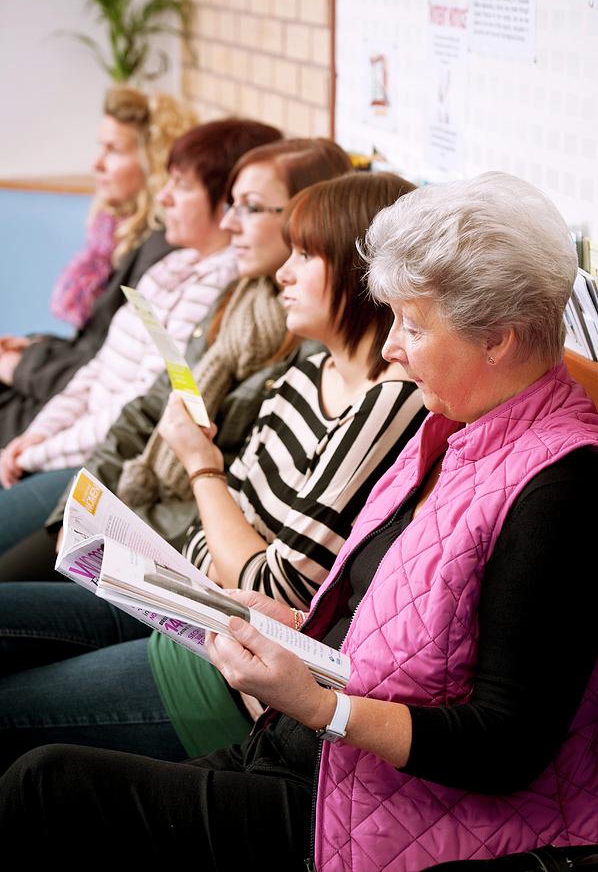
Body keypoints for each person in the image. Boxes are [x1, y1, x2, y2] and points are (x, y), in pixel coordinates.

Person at [1, 172, 597, 868]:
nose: (392, 349)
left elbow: (506, 745)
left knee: (44, 786)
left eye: (411, 325)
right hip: (318, 760)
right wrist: (300, 627)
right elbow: (397, 625)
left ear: (497, 337)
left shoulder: (563, 484)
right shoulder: (459, 427)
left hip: (373, 805)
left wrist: (318, 706)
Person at [0, 170, 426, 772]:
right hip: (192, 607)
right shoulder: (304, 374)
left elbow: (274, 587)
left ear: (363, 273)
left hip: (231, 666)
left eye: (305, 255)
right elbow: (222, 543)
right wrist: (221, 532)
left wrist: (204, 469)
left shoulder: (392, 401)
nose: (283, 271)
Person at [0, 137, 350, 577]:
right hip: (131, 504)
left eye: (251, 207)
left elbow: (231, 500)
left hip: (168, 552)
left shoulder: (312, 345)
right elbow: (146, 406)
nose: (230, 223)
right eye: (231, 204)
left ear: (308, 218)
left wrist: (119, 529)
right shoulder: (236, 298)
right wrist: (75, 516)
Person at [0, 85, 196, 448]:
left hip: (76, 422)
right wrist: (34, 347)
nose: (97, 163)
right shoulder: (118, 232)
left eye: (114, 150)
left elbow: (112, 379)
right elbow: (94, 346)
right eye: (100, 147)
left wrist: (20, 366)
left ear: (153, 162)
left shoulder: (161, 254)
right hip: (57, 396)